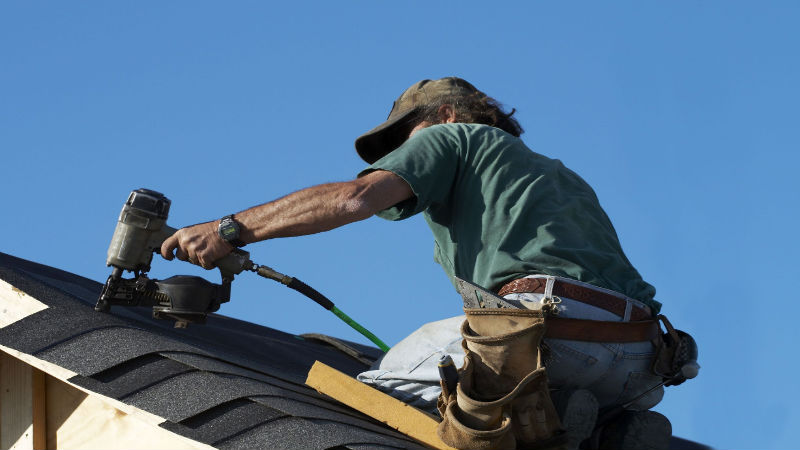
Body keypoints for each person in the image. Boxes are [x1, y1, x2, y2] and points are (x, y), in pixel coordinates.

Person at [160, 77, 673, 449]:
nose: (401, 151)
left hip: (545, 333)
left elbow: (354, 198)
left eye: (407, 134)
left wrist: (227, 230)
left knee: (374, 395)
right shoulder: (559, 176)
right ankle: (596, 428)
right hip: (639, 363)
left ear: (447, 116)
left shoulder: (453, 137)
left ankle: (526, 408)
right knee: (542, 420)